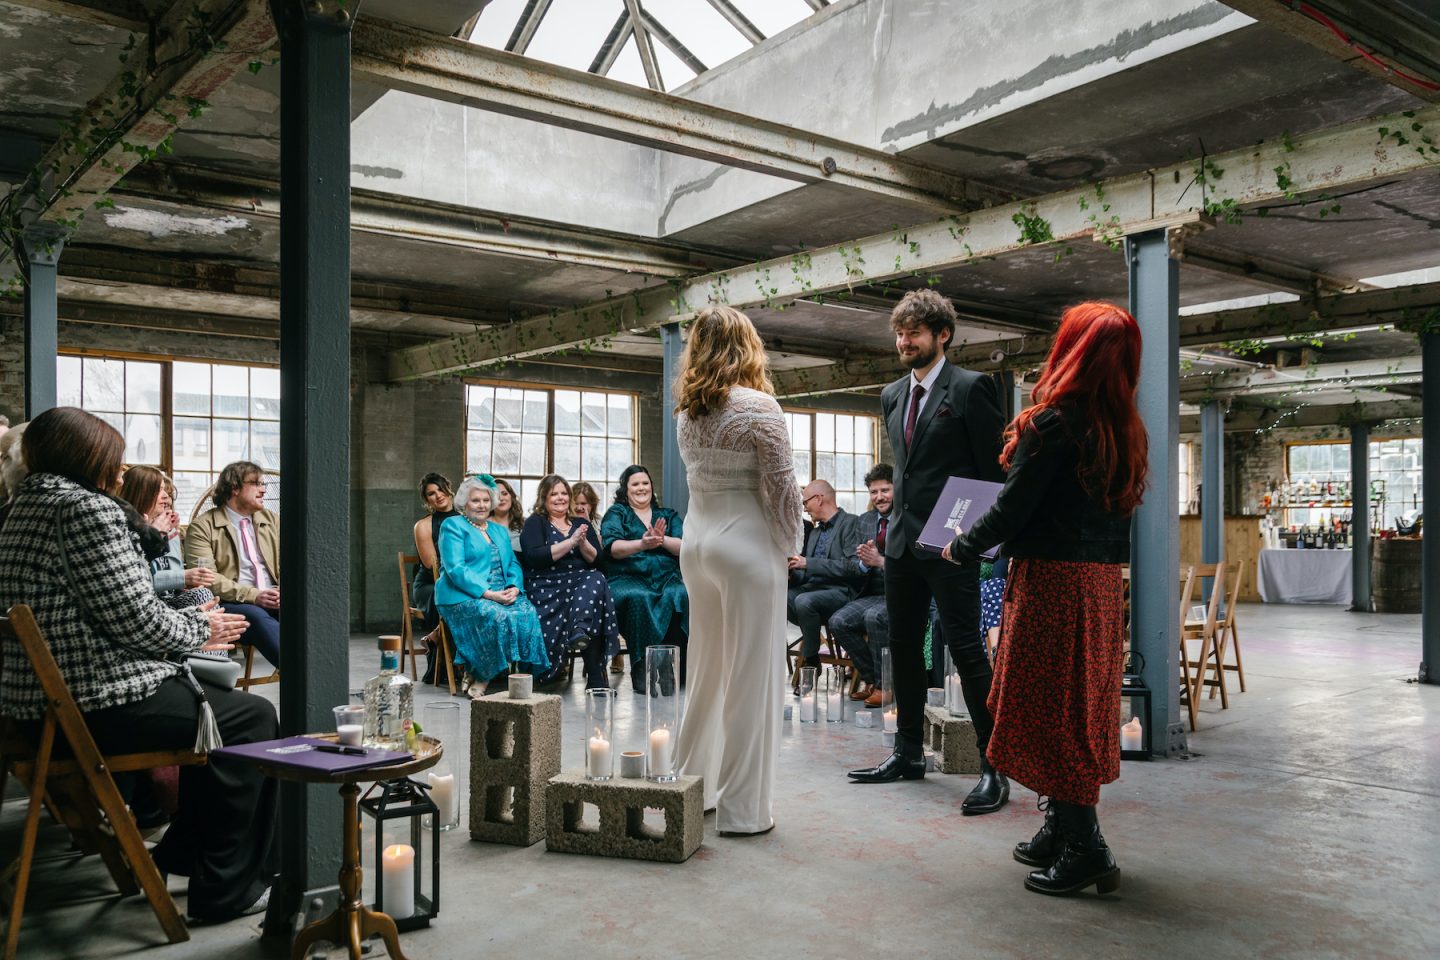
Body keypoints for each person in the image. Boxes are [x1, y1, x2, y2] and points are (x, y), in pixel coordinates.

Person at [0, 407, 274, 923]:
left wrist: (191, 611)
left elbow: (103, 609)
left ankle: (184, 853)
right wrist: (204, 629)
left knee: (226, 710)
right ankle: (227, 886)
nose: (122, 473)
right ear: (88, 458)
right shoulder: (85, 510)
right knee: (252, 718)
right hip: (94, 702)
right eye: (117, 460)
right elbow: (137, 623)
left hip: (34, 705)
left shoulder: (24, 505)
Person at [942, 301, 1146, 896]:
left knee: (1055, 711)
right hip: (1102, 587)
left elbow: (1011, 507)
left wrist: (962, 544)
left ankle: (1087, 847)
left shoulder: (1051, 423)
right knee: (1078, 705)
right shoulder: (1124, 427)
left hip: (1054, 583)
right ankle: (1061, 827)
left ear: (1071, 351)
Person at [848, 289, 1009, 817]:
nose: (904, 341)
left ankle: (994, 767)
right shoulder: (893, 394)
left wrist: (962, 538)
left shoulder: (972, 389)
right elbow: (909, 472)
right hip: (901, 544)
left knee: (966, 649)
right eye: (900, 332)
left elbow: (991, 474)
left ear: (942, 335)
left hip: (952, 547)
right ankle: (908, 752)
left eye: (914, 332)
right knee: (904, 646)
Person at [673, 305, 802, 837]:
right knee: (753, 677)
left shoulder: (688, 411)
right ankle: (744, 811)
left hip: (697, 544)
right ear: (747, 346)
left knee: (705, 671)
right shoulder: (759, 408)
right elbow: (784, 491)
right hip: (746, 547)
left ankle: (692, 786)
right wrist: (790, 547)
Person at [435, 474, 547, 687]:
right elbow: (455, 568)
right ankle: (482, 675)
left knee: (527, 612)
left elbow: (513, 563)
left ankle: (515, 677)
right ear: (464, 503)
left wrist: (514, 587)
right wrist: (487, 593)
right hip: (462, 594)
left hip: (501, 591)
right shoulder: (453, 525)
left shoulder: (499, 530)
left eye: (486, 500)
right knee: (496, 615)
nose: (481, 505)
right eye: (475, 500)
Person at [519, 474, 620, 689]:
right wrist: (570, 542)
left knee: (596, 579)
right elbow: (534, 557)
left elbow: (599, 562)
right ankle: (587, 658)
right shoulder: (535, 522)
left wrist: (582, 543)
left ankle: (581, 637)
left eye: (564, 493)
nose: (560, 497)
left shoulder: (581, 523)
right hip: (546, 587)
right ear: (544, 498)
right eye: (554, 493)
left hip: (581, 586)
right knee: (591, 602)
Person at [184, 461, 281, 669]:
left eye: (263, 483)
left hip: (275, 598)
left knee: (311, 609)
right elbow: (207, 579)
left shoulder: (272, 520)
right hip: (232, 603)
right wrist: (255, 595)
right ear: (234, 488)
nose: (263, 489)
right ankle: (303, 675)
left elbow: (292, 562)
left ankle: (323, 669)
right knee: (255, 615)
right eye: (256, 483)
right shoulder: (202, 527)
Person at [600, 464, 687, 693]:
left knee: (679, 595)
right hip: (626, 576)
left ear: (651, 486)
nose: (641, 488)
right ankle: (642, 669)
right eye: (635, 484)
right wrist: (642, 543)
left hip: (666, 576)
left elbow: (683, 547)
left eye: (645, 483)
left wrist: (661, 539)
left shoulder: (668, 515)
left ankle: (670, 670)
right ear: (626, 490)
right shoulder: (617, 514)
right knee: (640, 598)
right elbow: (613, 547)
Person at [787, 479, 863, 690]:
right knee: (779, 597)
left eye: (805, 503)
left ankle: (811, 662)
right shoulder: (815, 532)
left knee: (804, 601)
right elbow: (806, 575)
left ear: (819, 499)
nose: (805, 508)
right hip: (811, 592)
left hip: (841, 592)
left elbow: (852, 568)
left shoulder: (851, 523)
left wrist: (808, 563)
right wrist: (791, 573)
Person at [828, 463, 893, 704]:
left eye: (885, 490)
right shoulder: (864, 521)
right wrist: (865, 563)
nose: (879, 497)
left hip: (901, 594)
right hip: (871, 592)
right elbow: (854, 564)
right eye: (874, 492)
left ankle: (886, 686)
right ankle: (873, 681)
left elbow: (913, 567)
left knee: (874, 617)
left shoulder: (907, 519)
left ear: (897, 489)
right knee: (838, 621)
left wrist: (880, 561)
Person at [119, 465, 217, 606]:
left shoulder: (168, 528)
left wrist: (183, 585)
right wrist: (183, 578)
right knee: (202, 596)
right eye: (159, 490)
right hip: (144, 604)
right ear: (141, 492)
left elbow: (173, 577)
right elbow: (133, 580)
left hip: (168, 599)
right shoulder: (124, 529)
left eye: (166, 491)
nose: (167, 497)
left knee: (205, 597)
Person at [410, 472, 458, 684]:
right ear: (426, 500)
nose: (438, 495)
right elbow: (432, 566)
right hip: (431, 584)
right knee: (451, 596)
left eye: (440, 489)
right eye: (431, 493)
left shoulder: (466, 519)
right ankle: (450, 668)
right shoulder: (424, 525)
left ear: (448, 488)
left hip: (457, 582)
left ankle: (435, 636)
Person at [491, 477, 525, 550]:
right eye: (496, 496)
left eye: (505, 494)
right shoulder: (483, 525)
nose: (501, 498)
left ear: (511, 497)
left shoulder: (525, 523)